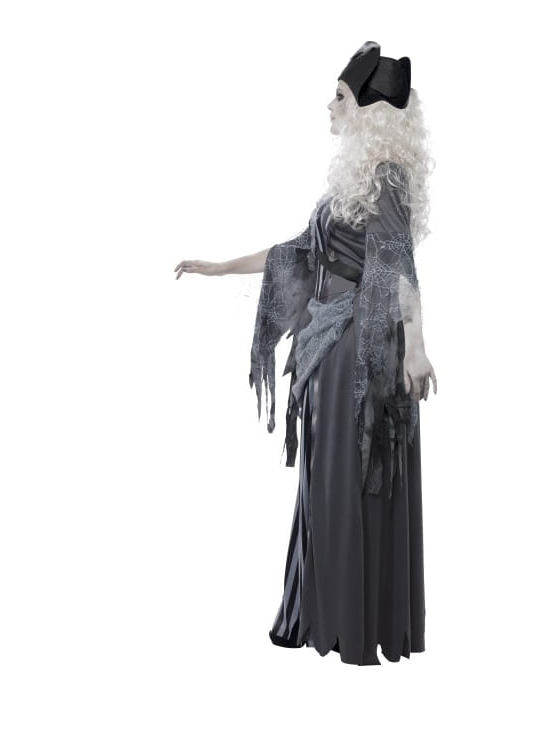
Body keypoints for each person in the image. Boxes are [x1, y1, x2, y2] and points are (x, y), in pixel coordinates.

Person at [175, 41, 436, 665]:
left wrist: (417, 350)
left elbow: (399, 267)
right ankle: (331, 616)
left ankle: (347, 621)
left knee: (347, 478)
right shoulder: (351, 184)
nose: (329, 105)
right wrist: (219, 267)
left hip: (361, 355)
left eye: (340, 96)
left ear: (368, 110)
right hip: (330, 347)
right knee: (328, 480)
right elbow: (299, 252)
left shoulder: (384, 177)